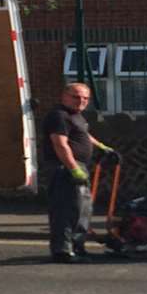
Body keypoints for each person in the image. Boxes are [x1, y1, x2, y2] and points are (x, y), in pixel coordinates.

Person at [41, 82, 118, 263]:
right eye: (76, 96)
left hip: (77, 166)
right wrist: (73, 168)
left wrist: (102, 147)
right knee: (67, 210)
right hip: (65, 169)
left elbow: (83, 135)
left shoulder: (76, 117)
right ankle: (63, 251)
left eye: (85, 98)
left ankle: (77, 246)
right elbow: (60, 144)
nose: (81, 101)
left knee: (82, 209)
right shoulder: (59, 116)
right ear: (64, 96)